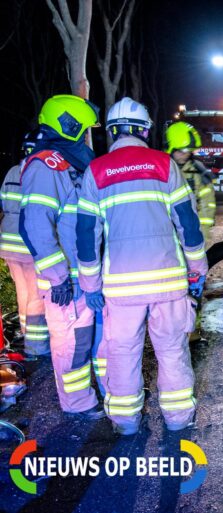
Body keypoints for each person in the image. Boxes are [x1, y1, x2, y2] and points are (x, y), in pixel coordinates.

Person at [76, 97, 208, 434]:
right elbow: (188, 224)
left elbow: (86, 235)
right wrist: (197, 270)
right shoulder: (164, 165)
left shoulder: (96, 171)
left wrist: (90, 286)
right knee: (172, 350)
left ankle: (125, 421)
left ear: (111, 131)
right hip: (168, 282)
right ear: (145, 130)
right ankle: (178, 419)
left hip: (119, 287)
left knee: (121, 353)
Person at [19, 94, 105, 420]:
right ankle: (77, 404)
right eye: (82, 129)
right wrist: (57, 276)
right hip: (65, 280)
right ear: (67, 124)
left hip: (82, 273)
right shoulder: (46, 165)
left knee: (88, 339)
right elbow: (35, 225)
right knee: (72, 341)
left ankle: (88, 395)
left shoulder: (71, 162)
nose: (85, 135)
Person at [0, 130, 50, 356]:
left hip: (8, 242)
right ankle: (36, 346)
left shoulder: (12, 171)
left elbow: (3, 202)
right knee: (36, 295)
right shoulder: (38, 172)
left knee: (23, 291)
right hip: (27, 242)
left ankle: (25, 331)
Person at [165, 121, 216, 244]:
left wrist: (201, 237)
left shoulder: (198, 172)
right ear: (171, 148)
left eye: (189, 151)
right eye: (182, 151)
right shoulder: (160, 170)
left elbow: (207, 207)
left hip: (190, 234)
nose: (186, 154)